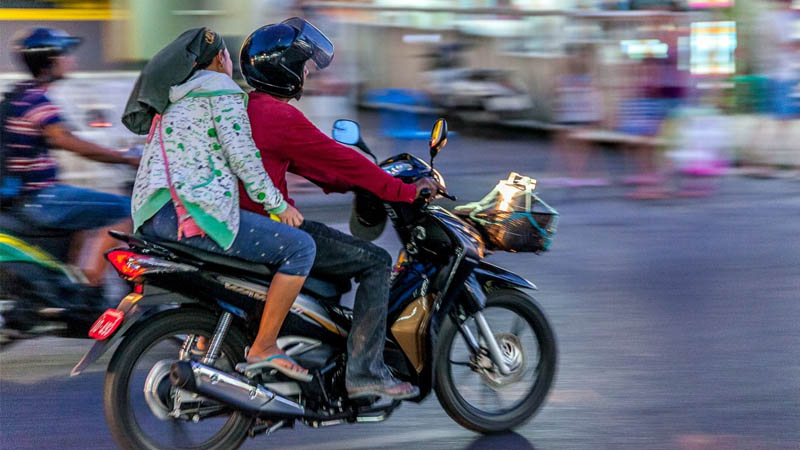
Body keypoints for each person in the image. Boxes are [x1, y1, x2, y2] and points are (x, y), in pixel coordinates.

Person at [238, 18, 441, 400]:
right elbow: (339, 158)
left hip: (245, 223)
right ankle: (365, 370)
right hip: (270, 227)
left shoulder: (247, 110)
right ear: (284, 69)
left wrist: (351, 183)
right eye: (305, 64)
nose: (309, 71)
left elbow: (318, 166)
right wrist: (401, 191)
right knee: (377, 261)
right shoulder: (280, 116)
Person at [124, 28, 316, 381]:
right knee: (301, 248)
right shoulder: (221, 92)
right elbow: (243, 159)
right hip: (188, 215)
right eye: (226, 56)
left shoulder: (175, 99)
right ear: (216, 61)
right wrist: (277, 205)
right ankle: (265, 345)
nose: (230, 63)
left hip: (151, 216)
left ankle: (203, 340)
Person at [0, 28, 138, 286]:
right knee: (128, 209)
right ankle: (86, 288)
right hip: (41, 198)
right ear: (50, 60)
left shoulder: (21, 95)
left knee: (89, 212)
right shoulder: (35, 99)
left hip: (30, 197)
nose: (71, 59)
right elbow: (67, 140)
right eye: (66, 53)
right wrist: (126, 159)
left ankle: (72, 281)